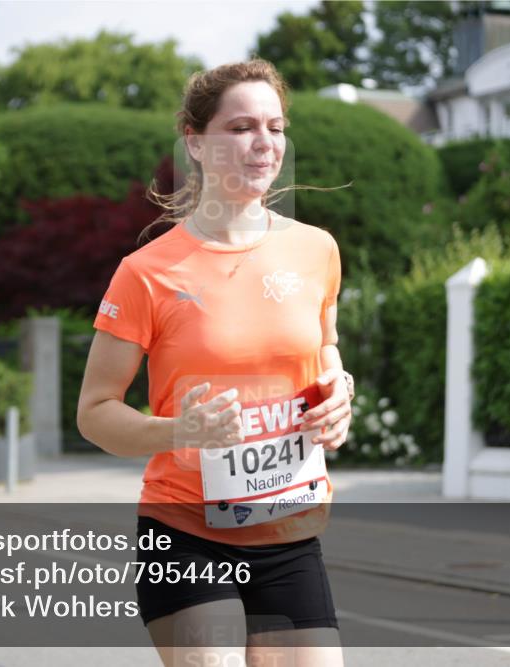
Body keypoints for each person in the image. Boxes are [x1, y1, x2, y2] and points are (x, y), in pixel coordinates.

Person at [77, 59, 352, 667]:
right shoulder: (147, 272)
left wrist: (337, 396)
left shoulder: (316, 250)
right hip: (187, 533)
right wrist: (179, 431)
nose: (264, 143)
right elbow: (94, 412)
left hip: (288, 529)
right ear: (195, 142)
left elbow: (324, 349)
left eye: (276, 127)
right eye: (242, 127)